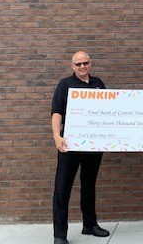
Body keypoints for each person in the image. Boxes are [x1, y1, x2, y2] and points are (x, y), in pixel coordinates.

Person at [51, 51, 110, 244]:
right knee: (62, 188)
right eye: (78, 64)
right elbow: (57, 112)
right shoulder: (65, 85)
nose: (82, 67)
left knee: (88, 185)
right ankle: (60, 235)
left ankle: (89, 225)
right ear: (72, 66)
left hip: (93, 145)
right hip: (70, 145)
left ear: (90, 64)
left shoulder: (98, 84)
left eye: (85, 63)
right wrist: (57, 136)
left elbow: (108, 111)